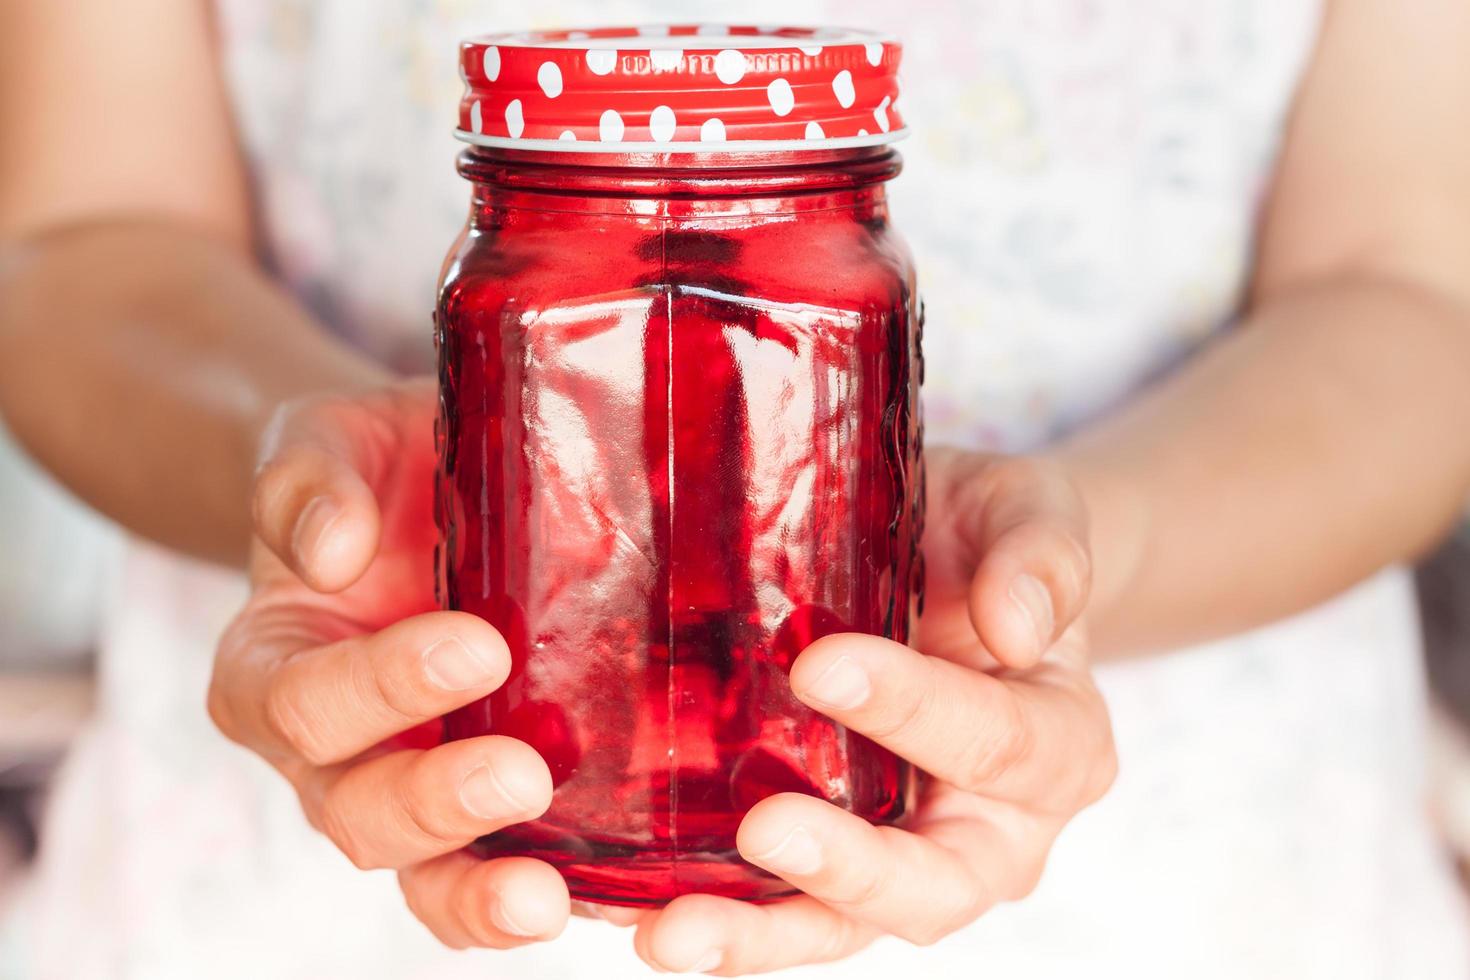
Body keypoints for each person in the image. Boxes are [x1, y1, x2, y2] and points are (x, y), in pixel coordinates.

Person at [2, 0, 1470, 976]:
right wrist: (329, 491)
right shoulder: (517, 281)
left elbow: (1410, 299)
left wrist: (1067, 563)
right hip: (297, 835)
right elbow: (85, 236)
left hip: (1192, 878)